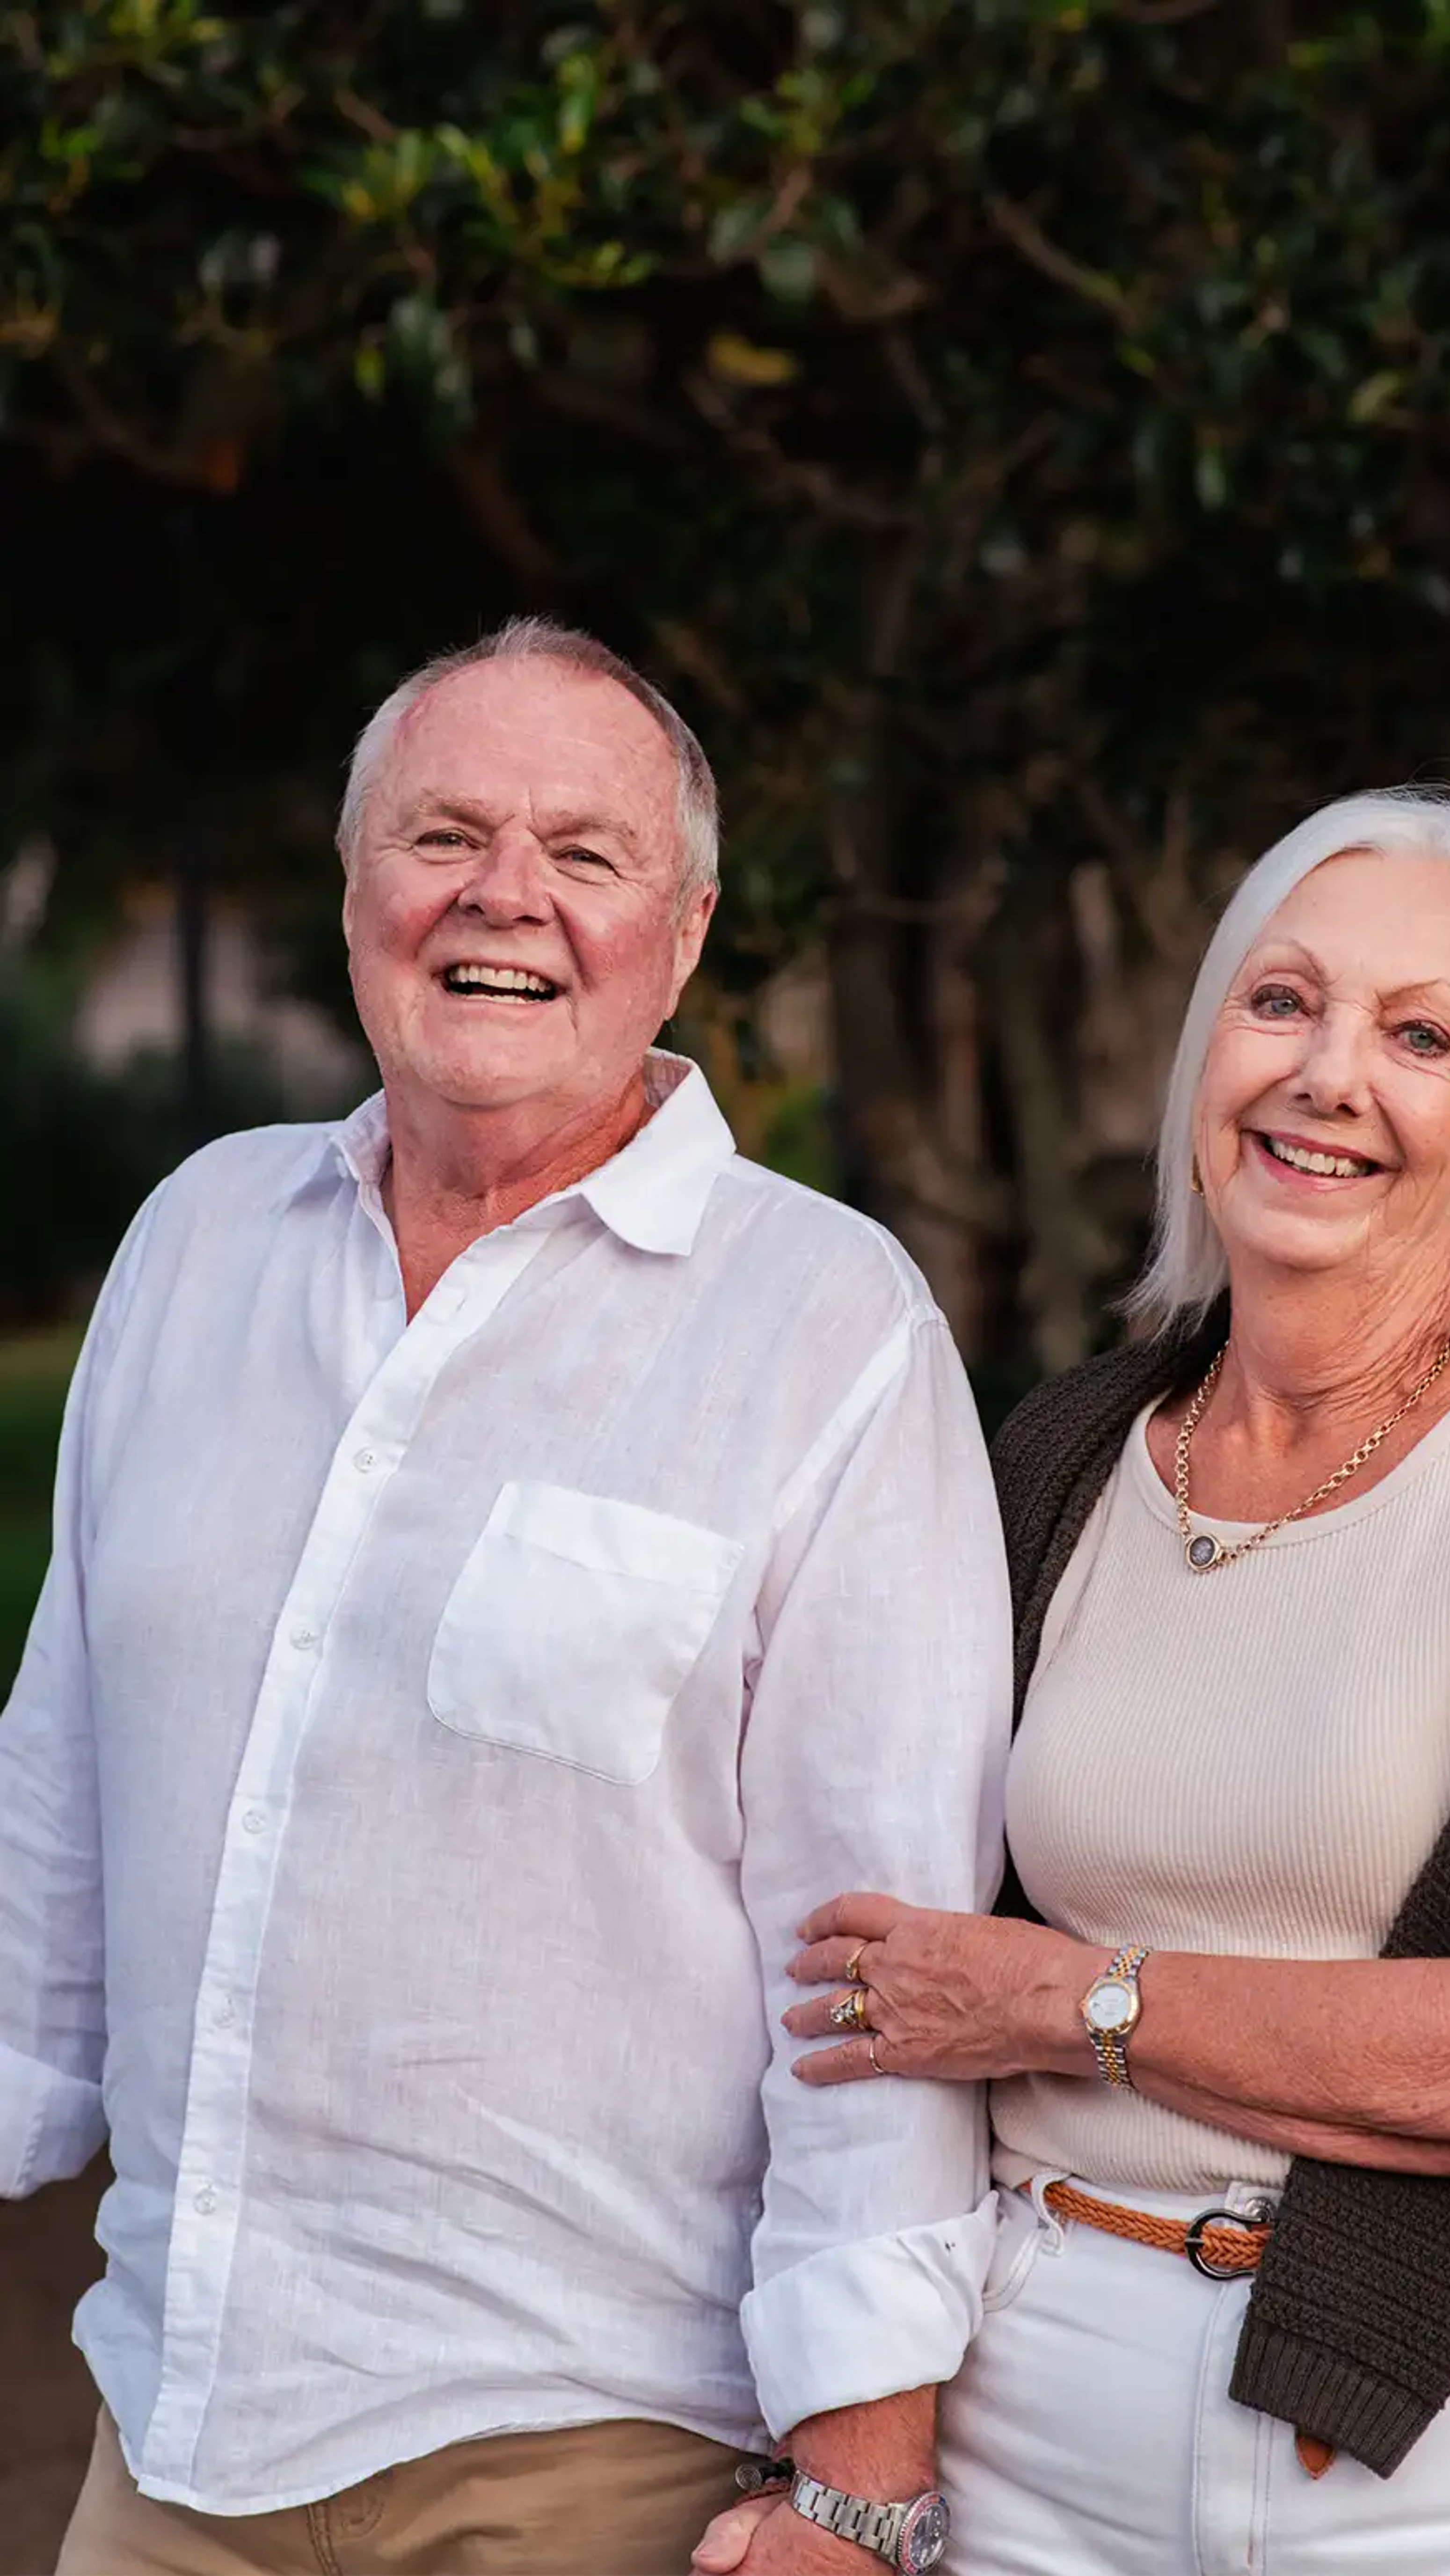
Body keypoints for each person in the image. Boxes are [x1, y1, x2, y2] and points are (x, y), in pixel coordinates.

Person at [0, 618, 1012, 2576]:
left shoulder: (824, 1326)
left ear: (688, 923)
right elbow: (58, 1784)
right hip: (175, 2428)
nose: (503, 896)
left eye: (585, 849)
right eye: (443, 831)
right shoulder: (197, 1239)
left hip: (585, 2453)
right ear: (356, 885)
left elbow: (881, 1936)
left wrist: (863, 2484)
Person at [696, 790, 1450, 2576]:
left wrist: (1073, 2007)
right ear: (1204, 1066)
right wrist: (855, 2471)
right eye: (1283, 1004)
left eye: (1420, 1037)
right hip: (1035, 2418)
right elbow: (879, 1978)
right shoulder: (1064, 1459)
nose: (1329, 1075)